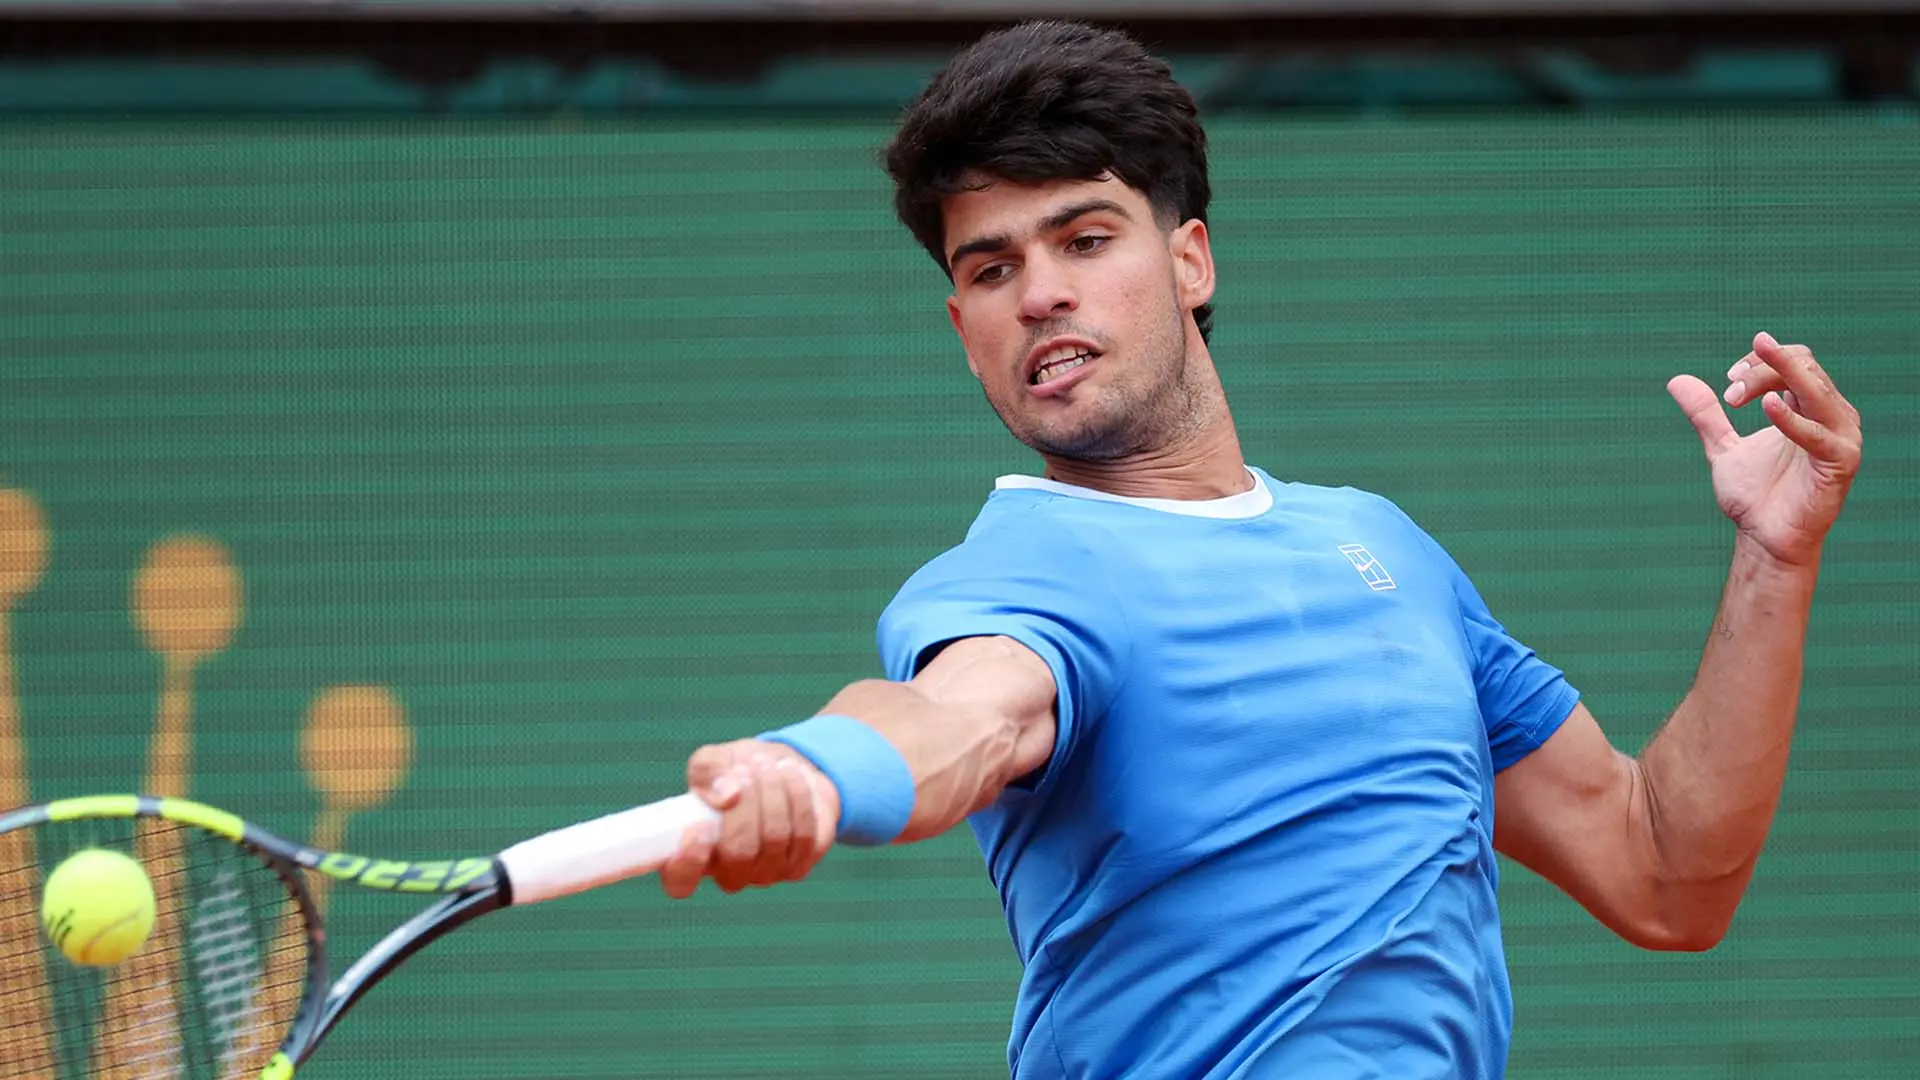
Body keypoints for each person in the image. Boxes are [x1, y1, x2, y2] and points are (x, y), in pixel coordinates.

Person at [656, 20, 1864, 1079]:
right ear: (965, 328)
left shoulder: (1381, 548)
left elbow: (1664, 874)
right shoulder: (1021, 578)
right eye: (993, 268)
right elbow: (958, 717)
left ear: (1189, 260)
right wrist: (816, 772)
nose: (1038, 295)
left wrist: (1777, 556)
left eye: (1084, 240)